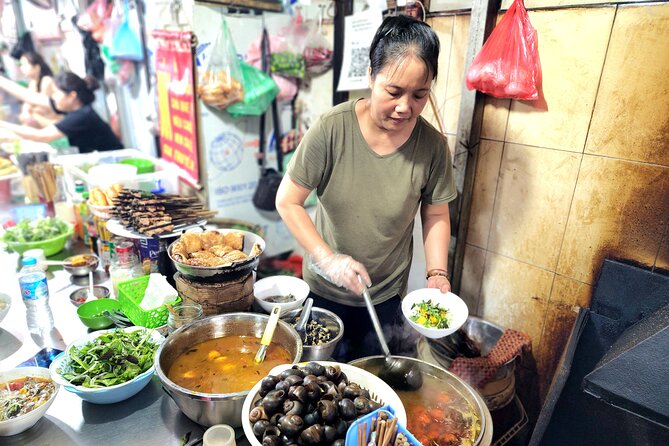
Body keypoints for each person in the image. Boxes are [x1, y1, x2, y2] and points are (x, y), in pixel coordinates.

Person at [275, 15, 456, 362]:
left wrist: (437, 274)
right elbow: (288, 201)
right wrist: (328, 260)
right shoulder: (331, 130)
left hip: (387, 295)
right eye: (394, 92)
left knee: (381, 385)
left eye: (420, 95)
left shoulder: (432, 146)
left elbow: (435, 213)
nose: (406, 107)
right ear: (371, 77)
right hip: (325, 292)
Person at [0, 71, 123, 153]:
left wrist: (3, 124)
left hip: (113, 164)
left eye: (56, 92)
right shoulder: (72, 107)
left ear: (72, 96)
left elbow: (42, 135)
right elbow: (29, 96)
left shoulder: (82, 115)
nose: (53, 96)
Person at [17, 52, 60, 127]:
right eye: (21, 65)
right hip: (42, 119)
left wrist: (30, 112)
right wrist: (26, 112)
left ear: (37, 67)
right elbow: (27, 103)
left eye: (25, 65)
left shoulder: (46, 80)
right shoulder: (32, 83)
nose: (21, 68)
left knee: (32, 116)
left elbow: (43, 108)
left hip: (54, 121)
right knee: (24, 117)